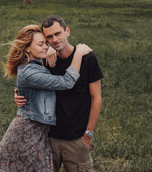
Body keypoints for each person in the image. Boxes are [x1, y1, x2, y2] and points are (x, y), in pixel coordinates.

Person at [0, 25, 92, 172]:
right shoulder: (29, 72)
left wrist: (51, 49)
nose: (46, 47)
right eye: (41, 44)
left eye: (46, 43)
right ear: (27, 48)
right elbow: (66, 82)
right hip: (27, 131)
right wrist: (78, 53)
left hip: (40, 130)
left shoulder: (38, 63)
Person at [15, 15, 104, 172]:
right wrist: (19, 94)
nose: (54, 39)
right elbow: (29, 79)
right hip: (48, 137)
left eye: (58, 33)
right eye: (49, 37)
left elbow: (96, 98)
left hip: (77, 139)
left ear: (67, 31)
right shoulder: (45, 61)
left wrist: (88, 134)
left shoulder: (87, 58)